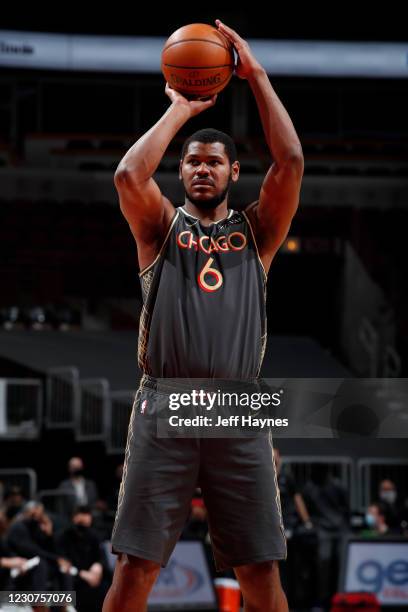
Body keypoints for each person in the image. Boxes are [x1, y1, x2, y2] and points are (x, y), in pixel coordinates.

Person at [103, 18, 303, 612]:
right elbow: (127, 174)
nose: (201, 169)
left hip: (239, 407)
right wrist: (180, 111)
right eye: (192, 161)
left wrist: (257, 75)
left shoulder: (258, 231)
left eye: (214, 162)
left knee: (260, 569)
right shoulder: (161, 227)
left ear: (233, 172)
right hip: (165, 403)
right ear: (182, 169)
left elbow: (289, 160)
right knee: (135, 567)